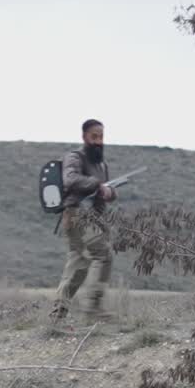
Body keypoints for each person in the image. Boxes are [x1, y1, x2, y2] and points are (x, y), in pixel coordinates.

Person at [50, 118, 116, 323]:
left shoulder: (101, 164)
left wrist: (109, 193)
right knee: (104, 255)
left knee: (78, 265)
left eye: (101, 137)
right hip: (76, 215)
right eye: (94, 136)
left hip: (93, 219)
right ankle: (93, 309)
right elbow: (70, 179)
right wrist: (97, 184)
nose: (98, 141)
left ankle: (57, 315)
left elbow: (102, 195)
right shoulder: (74, 157)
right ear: (84, 137)